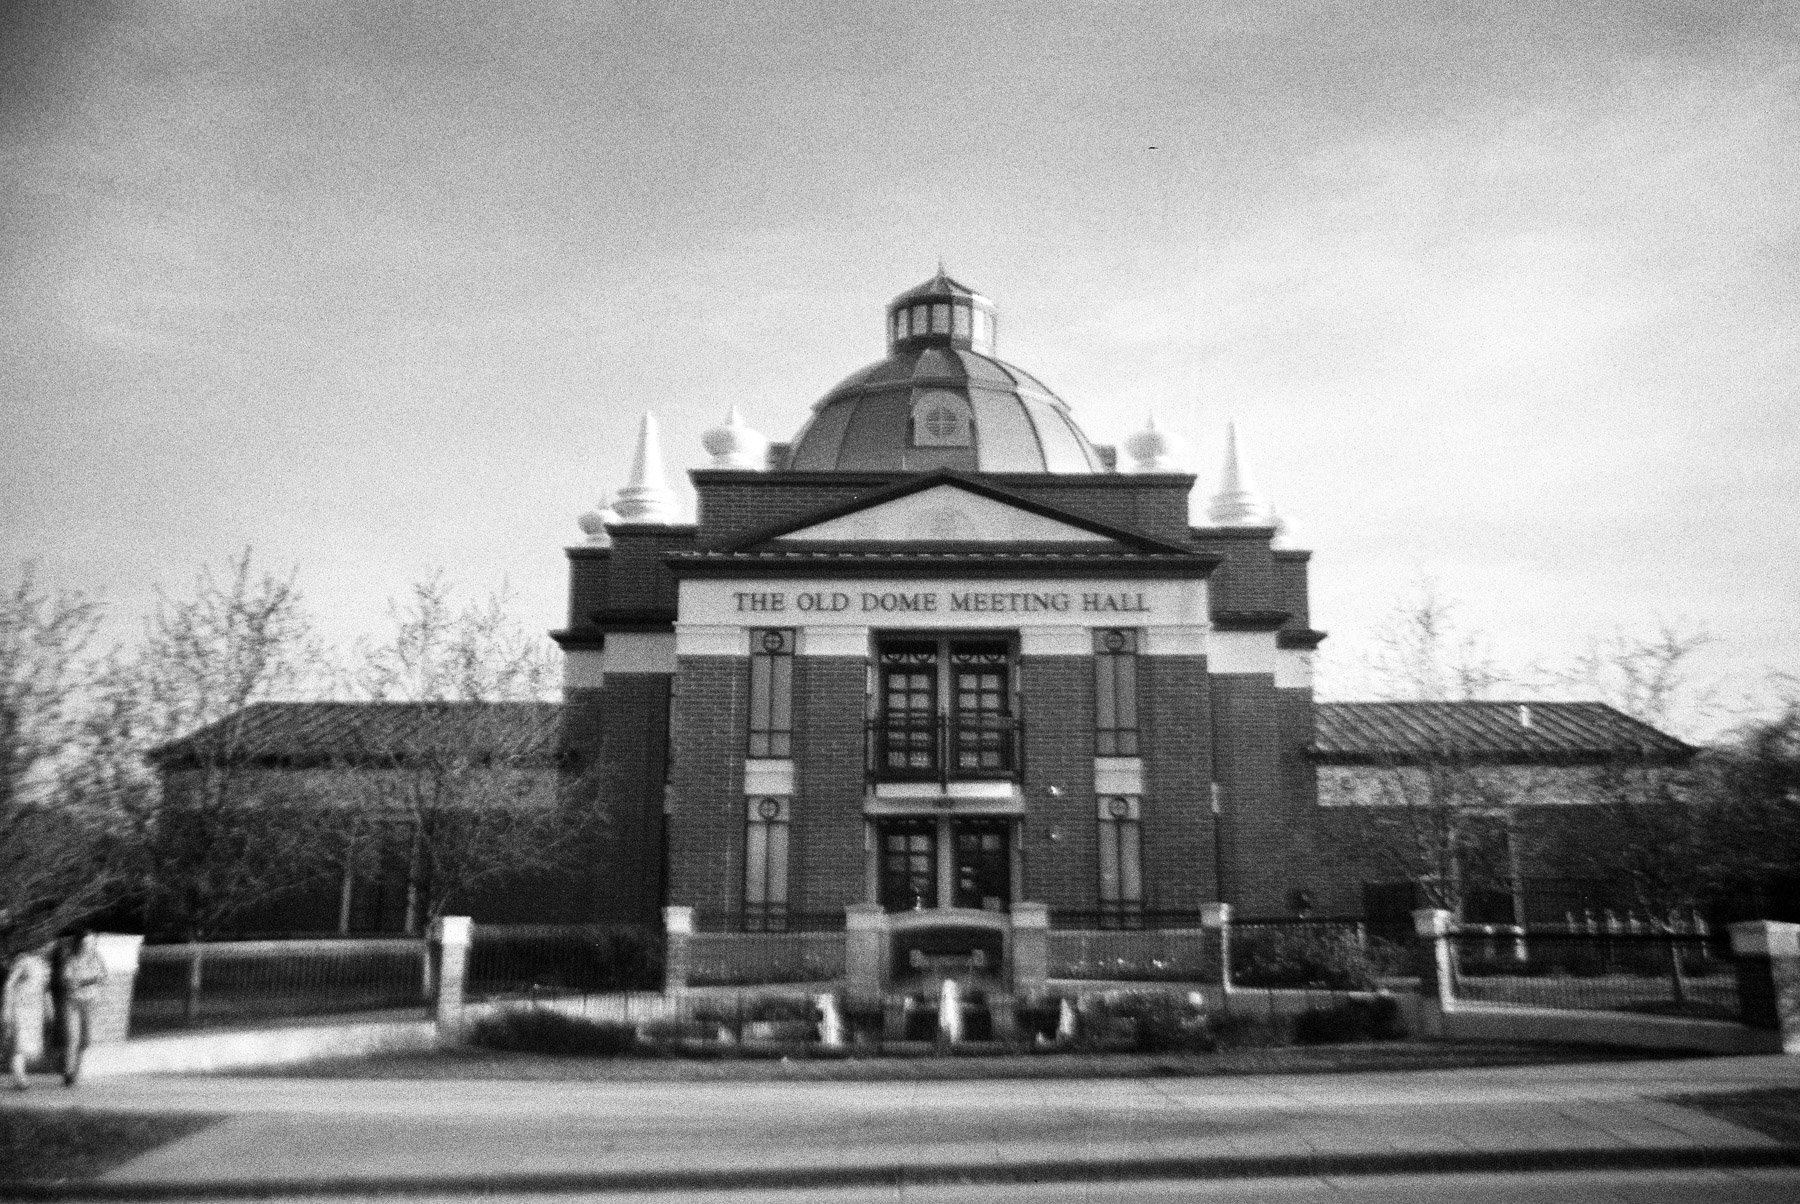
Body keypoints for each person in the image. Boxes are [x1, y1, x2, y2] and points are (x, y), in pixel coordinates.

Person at [54, 932, 107, 1087]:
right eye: (86, 943)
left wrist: (95, 984)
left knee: (87, 1039)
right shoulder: (72, 960)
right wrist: (91, 980)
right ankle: (69, 1073)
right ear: (80, 944)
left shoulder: (97, 959)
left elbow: (103, 976)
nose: (89, 946)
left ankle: (74, 1068)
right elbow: (69, 981)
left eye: (92, 942)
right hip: (73, 1004)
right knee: (73, 1038)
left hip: (90, 1004)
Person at [3, 945, 52, 1090]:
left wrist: (49, 1007)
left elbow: (45, 989)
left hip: (35, 1009)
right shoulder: (23, 961)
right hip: (20, 1008)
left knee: (28, 1046)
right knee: (20, 1043)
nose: (48, 947)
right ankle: (20, 1078)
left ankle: (20, 1076)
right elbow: (9, 984)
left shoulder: (42, 963)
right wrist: (6, 1008)